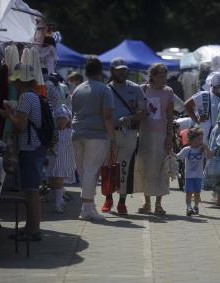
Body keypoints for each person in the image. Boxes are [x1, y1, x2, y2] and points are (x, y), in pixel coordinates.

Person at [0, 63, 47, 241]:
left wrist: (8, 115)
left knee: (31, 190)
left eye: (16, 81)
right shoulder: (34, 95)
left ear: (21, 81)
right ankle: (30, 227)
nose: (14, 85)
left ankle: (34, 231)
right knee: (30, 190)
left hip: (30, 148)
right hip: (36, 147)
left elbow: (21, 125)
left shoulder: (26, 97)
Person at [101, 57, 147, 214]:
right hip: (109, 133)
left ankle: (122, 202)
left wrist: (130, 118)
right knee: (107, 166)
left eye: (124, 70)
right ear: (112, 71)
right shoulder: (106, 89)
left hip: (129, 133)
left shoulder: (135, 88)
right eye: (119, 70)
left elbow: (144, 112)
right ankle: (108, 198)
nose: (122, 73)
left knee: (125, 167)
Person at [71, 57, 115, 221]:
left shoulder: (77, 89)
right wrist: (113, 138)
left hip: (76, 133)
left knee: (83, 172)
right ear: (100, 72)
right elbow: (108, 116)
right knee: (91, 171)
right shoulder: (104, 90)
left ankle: (88, 207)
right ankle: (87, 209)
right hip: (96, 134)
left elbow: (73, 112)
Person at [134, 63, 174, 215]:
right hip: (144, 134)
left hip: (161, 135)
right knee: (144, 167)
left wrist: (169, 136)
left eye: (165, 76)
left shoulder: (169, 91)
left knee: (159, 168)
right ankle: (146, 203)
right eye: (161, 76)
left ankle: (158, 204)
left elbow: (170, 116)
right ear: (153, 76)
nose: (164, 79)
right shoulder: (142, 89)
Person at [184, 72, 220, 145]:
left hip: (216, 133)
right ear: (215, 86)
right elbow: (187, 105)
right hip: (204, 133)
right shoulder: (204, 95)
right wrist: (196, 120)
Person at [177, 127, 213, 216]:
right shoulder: (187, 150)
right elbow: (178, 156)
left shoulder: (202, 150)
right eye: (199, 139)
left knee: (197, 193)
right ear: (192, 140)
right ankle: (188, 207)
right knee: (189, 192)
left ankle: (196, 206)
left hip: (199, 176)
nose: (201, 141)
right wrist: (170, 153)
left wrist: (206, 148)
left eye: (201, 139)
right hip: (189, 176)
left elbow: (211, 156)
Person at [46, 104, 76, 213]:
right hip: (53, 159)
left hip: (64, 160)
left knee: (58, 181)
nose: (61, 121)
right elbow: (49, 144)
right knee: (53, 182)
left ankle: (58, 204)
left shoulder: (71, 133)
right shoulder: (53, 132)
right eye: (59, 118)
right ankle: (61, 196)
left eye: (64, 118)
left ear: (68, 120)